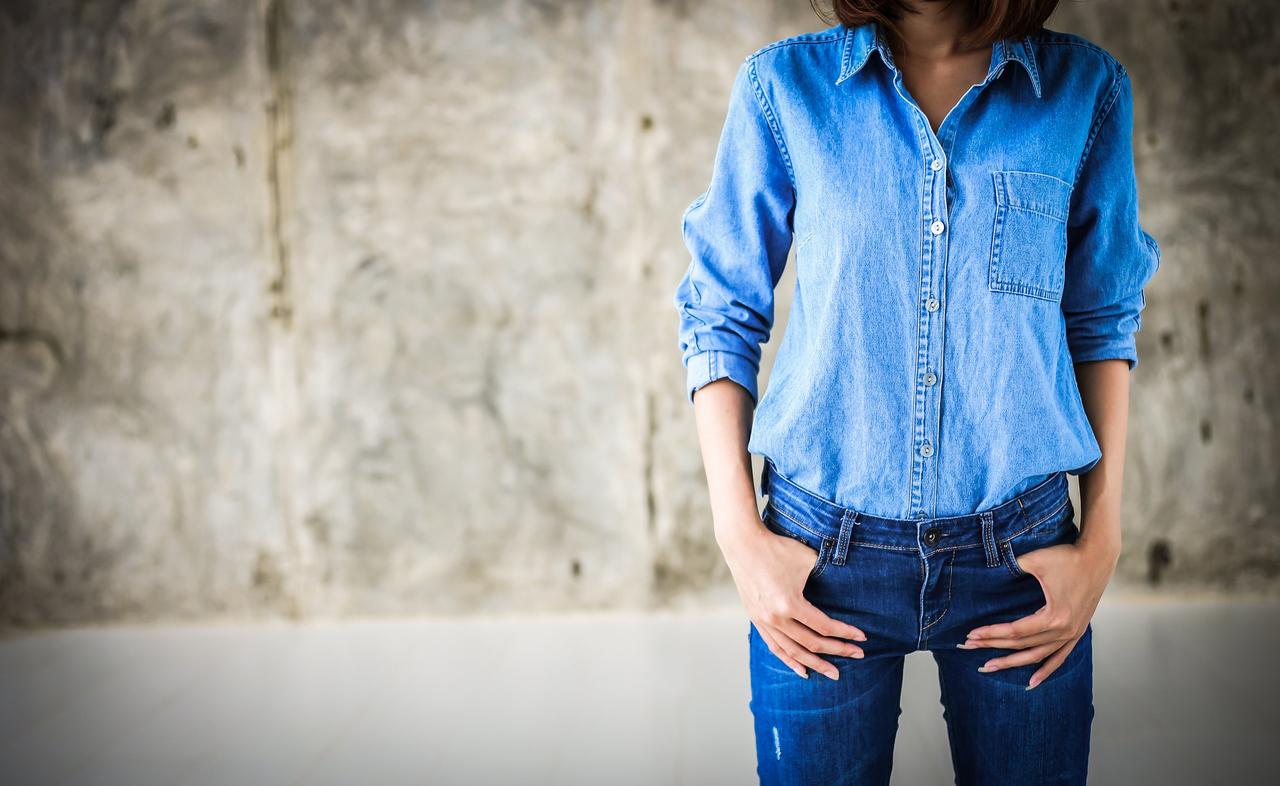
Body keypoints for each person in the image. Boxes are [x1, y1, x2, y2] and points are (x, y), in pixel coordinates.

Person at [672, 0, 1161, 783]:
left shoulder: (1085, 90)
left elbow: (1101, 321)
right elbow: (720, 314)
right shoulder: (783, 88)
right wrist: (739, 538)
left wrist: (1102, 541)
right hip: (820, 561)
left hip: (1022, 560)